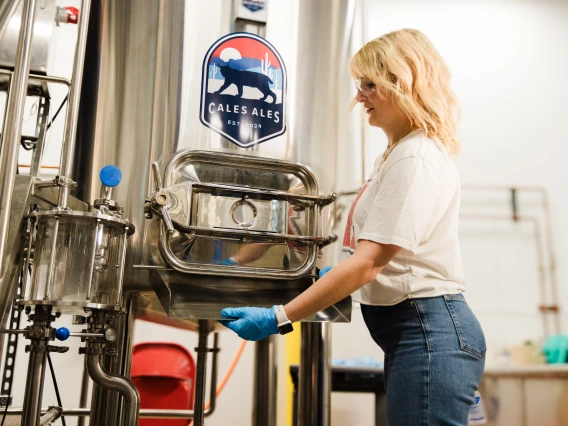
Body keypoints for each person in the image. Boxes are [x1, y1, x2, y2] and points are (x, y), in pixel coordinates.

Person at [220, 28, 486, 425]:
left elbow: (369, 263)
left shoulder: (415, 158)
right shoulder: (396, 156)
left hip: (429, 330)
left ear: (404, 82)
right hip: (419, 331)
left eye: (369, 84)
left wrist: (277, 316)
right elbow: (377, 261)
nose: (359, 96)